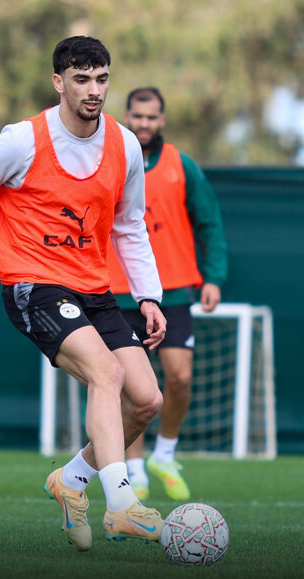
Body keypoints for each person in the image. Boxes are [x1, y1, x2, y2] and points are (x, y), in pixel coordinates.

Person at [0, 37, 168, 552]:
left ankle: (70, 480)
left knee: (146, 400)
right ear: (58, 82)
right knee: (107, 373)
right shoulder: (21, 141)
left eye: (101, 79)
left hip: (94, 289)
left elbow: (130, 224)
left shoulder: (124, 145)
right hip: (33, 284)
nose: (93, 90)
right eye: (81, 79)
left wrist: (148, 295)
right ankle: (121, 506)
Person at [107, 87, 227, 501]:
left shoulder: (181, 165)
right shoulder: (109, 157)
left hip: (173, 289)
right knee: (131, 388)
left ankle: (165, 454)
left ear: (162, 120)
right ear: (126, 116)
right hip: (119, 291)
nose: (144, 123)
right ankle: (135, 470)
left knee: (180, 377)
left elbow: (210, 222)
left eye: (151, 117)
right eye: (137, 116)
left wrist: (214, 277)